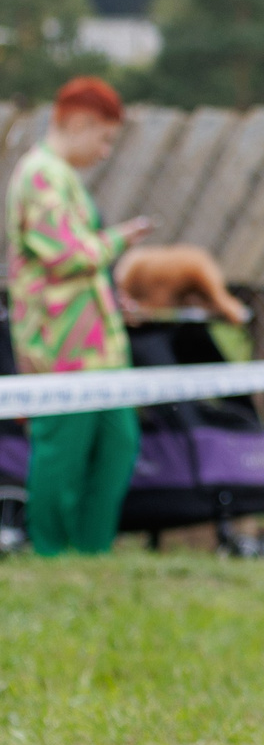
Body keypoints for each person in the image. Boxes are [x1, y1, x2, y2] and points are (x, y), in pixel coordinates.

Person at [7, 76, 152, 555]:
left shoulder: (64, 178)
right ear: (78, 122)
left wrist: (111, 299)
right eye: (105, 137)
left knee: (118, 446)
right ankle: (51, 552)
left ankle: (92, 552)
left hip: (100, 347)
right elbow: (66, 258)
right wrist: (121, 239)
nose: (106, 151)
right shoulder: (39, 175)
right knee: (61, 456)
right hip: (60, 347)